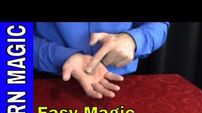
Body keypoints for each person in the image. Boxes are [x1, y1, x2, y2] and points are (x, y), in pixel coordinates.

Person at [34, 22, 169, 99]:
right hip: (50, 83)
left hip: (123, 85)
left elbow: (159, 25)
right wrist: (63, 56)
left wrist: (134, 40)